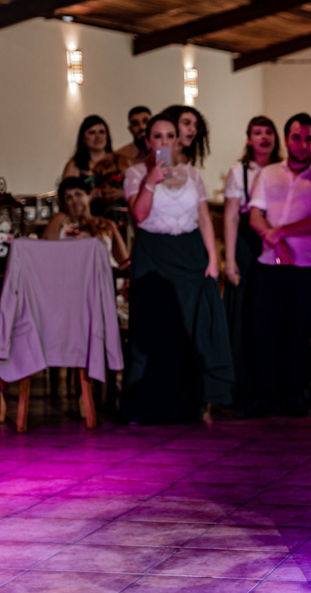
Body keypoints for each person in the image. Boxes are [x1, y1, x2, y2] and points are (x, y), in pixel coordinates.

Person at [119, 111, 232, 424]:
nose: (164, 141)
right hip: (153, 253)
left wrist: (213, 260)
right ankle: (144, 406)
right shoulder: (135, 173)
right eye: (158, 136)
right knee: (152, 329)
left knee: (188, 329)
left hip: (190, 253)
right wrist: (152, 180)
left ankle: (186, 405)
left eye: (170, 136)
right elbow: (138, 215)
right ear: (147, 140)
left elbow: (205, 218)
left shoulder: (192, 174)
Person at [245, 113, 311, 418]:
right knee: (265, 331)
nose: (302, 144)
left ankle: (296, 393)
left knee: (298, 332)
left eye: (308, 138)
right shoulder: (268, 173)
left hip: (306, 268)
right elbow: (255, 214)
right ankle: (265, 395)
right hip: (267, 266)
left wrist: (281, 232)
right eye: (296, 138)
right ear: (286, 140)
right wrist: (275, 240)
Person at [221, 115, 280, 410]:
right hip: (246, 245)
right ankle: (241, 389)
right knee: (244, 316)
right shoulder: (238, 172)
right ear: (249, 139)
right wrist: (230, 259)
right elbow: (231, 215)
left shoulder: (282, 170)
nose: (264, 137)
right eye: (257, 133)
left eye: (268, 132)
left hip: (277, 241)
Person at [42, 176, 130, 268]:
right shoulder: (60, 219)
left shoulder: (107, 224)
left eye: (78, 194)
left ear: (88, 196)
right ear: (64, 204)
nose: (74, 200)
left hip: (104, 274)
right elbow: (44, 252)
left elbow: (124, 262)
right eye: (69, 197)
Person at [61, 115, 128, 229]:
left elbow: (139, 193)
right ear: (83, 138)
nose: (98, 136)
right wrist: (90, 196)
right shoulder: (75, 165)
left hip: (121, 223)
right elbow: (65, 202)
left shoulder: (121, 161)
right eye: (92, 132)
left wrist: (120, 193)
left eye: (102, 132)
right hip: (88, 225)